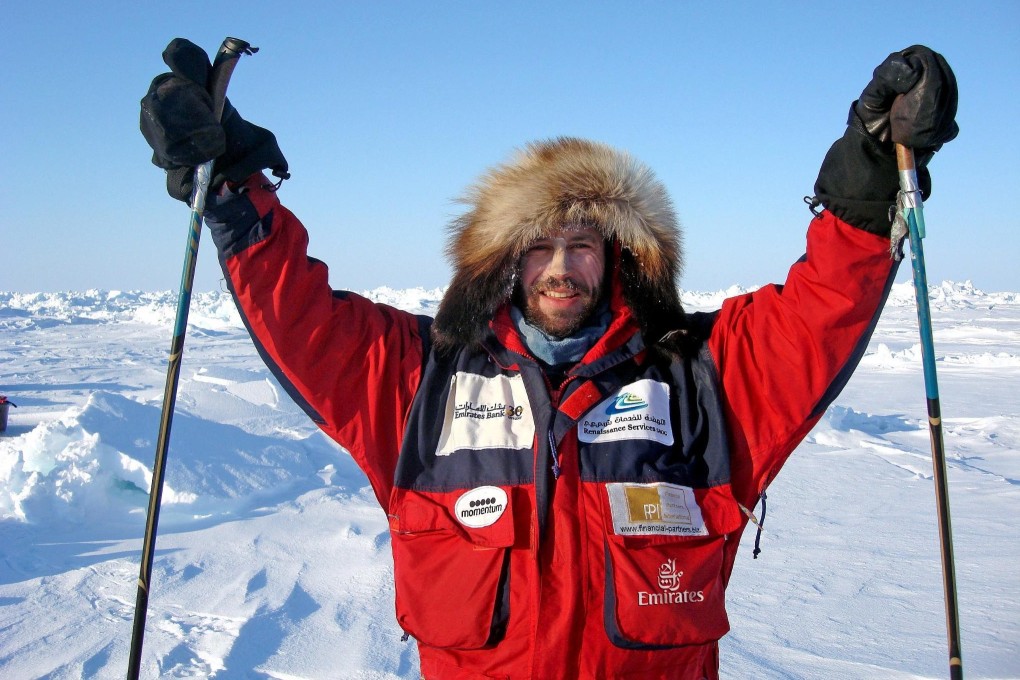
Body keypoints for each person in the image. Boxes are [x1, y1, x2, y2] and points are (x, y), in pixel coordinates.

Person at [140, 40, 958, 680]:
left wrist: (866, 174)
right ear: (504, 260)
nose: (561, 266)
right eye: (538, 246)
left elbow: (819, 315)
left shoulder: (702, 376)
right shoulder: (422, 378)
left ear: (621, 256)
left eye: (582, 242)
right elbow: (305, 323)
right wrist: (234, 191)